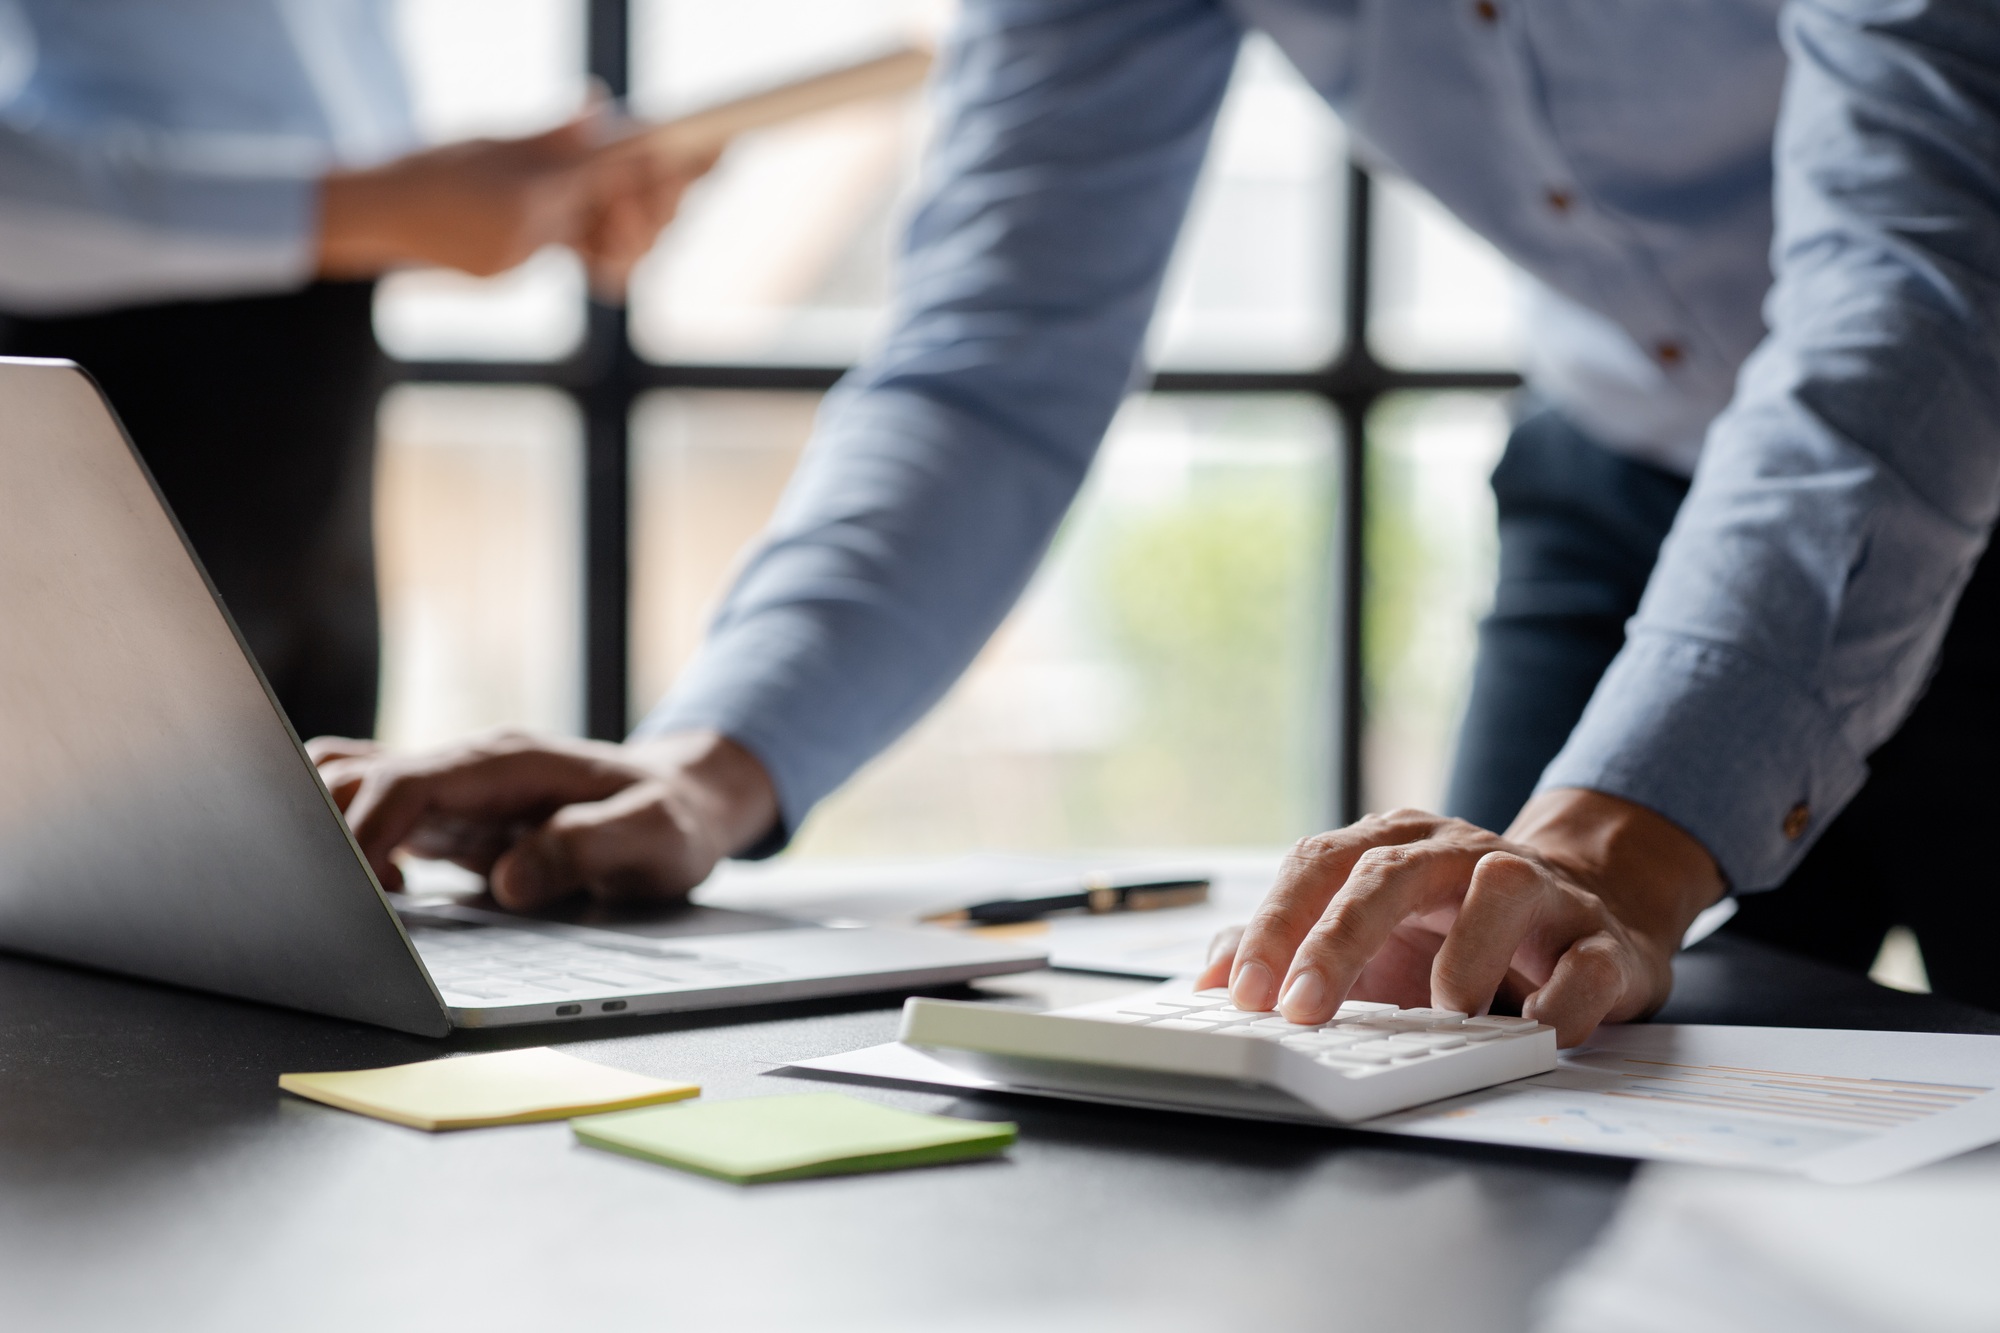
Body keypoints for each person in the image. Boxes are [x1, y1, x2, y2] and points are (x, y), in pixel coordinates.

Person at [313, 0, 2000, 1039]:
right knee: (1493, 1098)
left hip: (1940, 415)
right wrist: (711, 758)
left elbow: (1914, 298)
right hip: (1632, 477)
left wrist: (1611, 839)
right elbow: (992, 353)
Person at [0, 0, 702, 739]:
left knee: (313, 811)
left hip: (324, 381)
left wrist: (504, 202)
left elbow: (328, 109)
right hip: (110, 387)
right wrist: (371, 207)